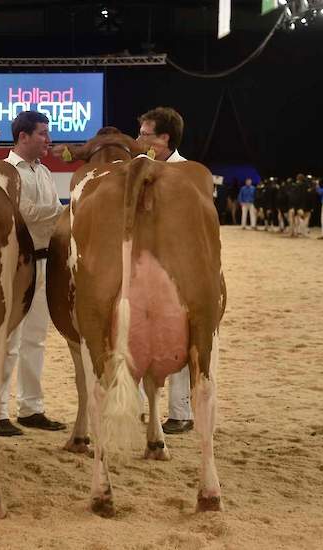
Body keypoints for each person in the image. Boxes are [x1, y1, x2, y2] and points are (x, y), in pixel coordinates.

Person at [0, 110, 66, 437]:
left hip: (43, 261)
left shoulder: (45, 172)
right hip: (15, 264)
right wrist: (61, 212)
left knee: (36, 338)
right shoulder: (5, 173)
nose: (47, 140)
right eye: (42, 133)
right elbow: (19, 213)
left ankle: (31, 407)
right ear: (22, 136)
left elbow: (42, 217)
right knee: (8, 340)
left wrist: (53, 215)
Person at [137, 106, 193, 434]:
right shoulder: (137, 168)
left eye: (144, 134)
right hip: (142, 269)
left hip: (176, 270)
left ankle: (180, 412)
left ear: (164, 138)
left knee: (177, 338)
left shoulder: (188, 172)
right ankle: (138, 411)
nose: (138, 140)